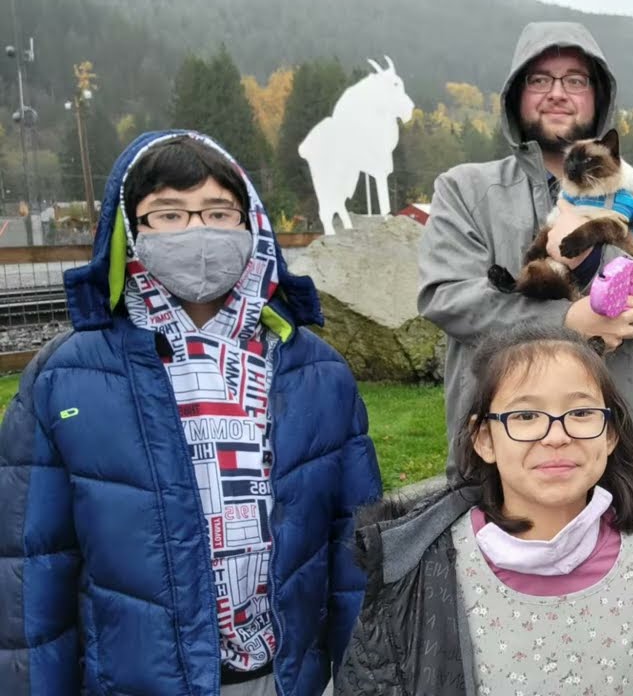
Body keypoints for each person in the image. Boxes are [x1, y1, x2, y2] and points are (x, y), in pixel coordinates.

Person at [0, 131, 383, 695]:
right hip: (134, 680)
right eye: (169, 213)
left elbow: (355, 549)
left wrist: (363, 678)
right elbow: (33, 568)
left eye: (218, 212)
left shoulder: (316, 372)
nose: (197, 231)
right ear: (132, 230)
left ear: (250, 224)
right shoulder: (66, 377)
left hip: (284, 679)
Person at [418, 21, 633, 486]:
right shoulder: (465, 189)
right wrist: (568, 322)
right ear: (516, 94)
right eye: (539, 79)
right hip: (499, 475)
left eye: (575, 80)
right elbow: (447, 296)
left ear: (598, 95)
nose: (557, 92)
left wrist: (602, 258)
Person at [334, 324, 633, 695]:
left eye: (581, 412)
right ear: (484, 439)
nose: (557, 435)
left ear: (610, 433)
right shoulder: (422, 571)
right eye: (525, 417)